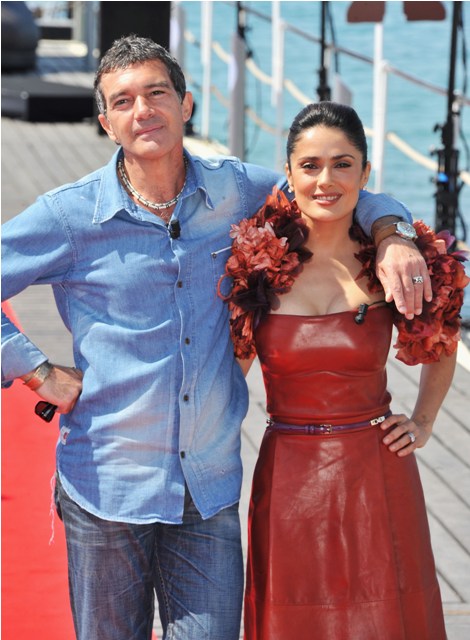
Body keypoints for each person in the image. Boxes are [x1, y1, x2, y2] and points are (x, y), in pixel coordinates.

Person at [1, 35, 432, 640]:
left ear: (187, 104)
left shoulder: (239, 191)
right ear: (104, 122)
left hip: (207, 492)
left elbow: (330, 187)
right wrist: (37, 371)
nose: (143, 110)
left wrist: (391, 234)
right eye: (123, 101)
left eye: (157, 93)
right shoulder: (69, 217)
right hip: (106, 488)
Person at [220, 101, 469, 640]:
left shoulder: (396, 262)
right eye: (310, 166)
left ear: (365, 173)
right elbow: (227, 374)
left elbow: (441, 340)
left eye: (342, 164)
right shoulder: (258, 265)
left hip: (377, 471)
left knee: (385, 616)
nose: (326, 180)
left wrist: (423, 422)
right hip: (288, 474)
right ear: (288, 175)